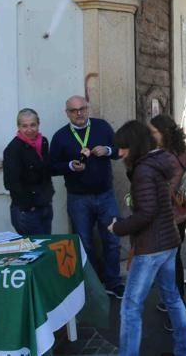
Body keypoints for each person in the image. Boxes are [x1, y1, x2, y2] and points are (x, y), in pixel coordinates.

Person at [108, 121, 186, 356]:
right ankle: (185, 350)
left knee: (130, 307)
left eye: (123, 148)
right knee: (173, 299)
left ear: (133, 145)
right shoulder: (156, 164)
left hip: (151, 247)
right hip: (168, 241)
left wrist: (119, 228)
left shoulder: (144, 171)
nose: (119, 153)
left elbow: (146, 213)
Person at [49, 95, 125, 299]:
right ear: (67, 113)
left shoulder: (102, 127)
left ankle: (113, 283)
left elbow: (120, 151)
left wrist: (108, 150)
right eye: (73, 111)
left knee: (112, 240)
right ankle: (90, 285)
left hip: (105, 195)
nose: (79, 113)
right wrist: (69, 166)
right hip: (78, 199)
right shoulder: (60, 136)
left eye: (82, 108)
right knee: (84, 243)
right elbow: (51, 166)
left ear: (88, 109)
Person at [148, 114, 186, 331]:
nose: (150, 135)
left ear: (163, 133)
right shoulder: (181, 152)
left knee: (171, 265)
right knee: (172, 261)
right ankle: (170, 302)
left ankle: (177, 310)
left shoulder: (165, 157)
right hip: (183, 213)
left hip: (170, 218)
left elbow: (166, 191)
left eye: (153, 131)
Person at [2, 108, 54, 235]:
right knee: (35, 251)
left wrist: (49, 195)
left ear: (38, 124)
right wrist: (29, 206)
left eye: (33, 125)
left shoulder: (44, 142)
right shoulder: (13, 149)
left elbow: (46, 172)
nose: (29, 130)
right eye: (24, 126)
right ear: (18, 127)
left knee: (46, 246)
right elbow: (11, 183)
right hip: (27, 211)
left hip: (45, 205)